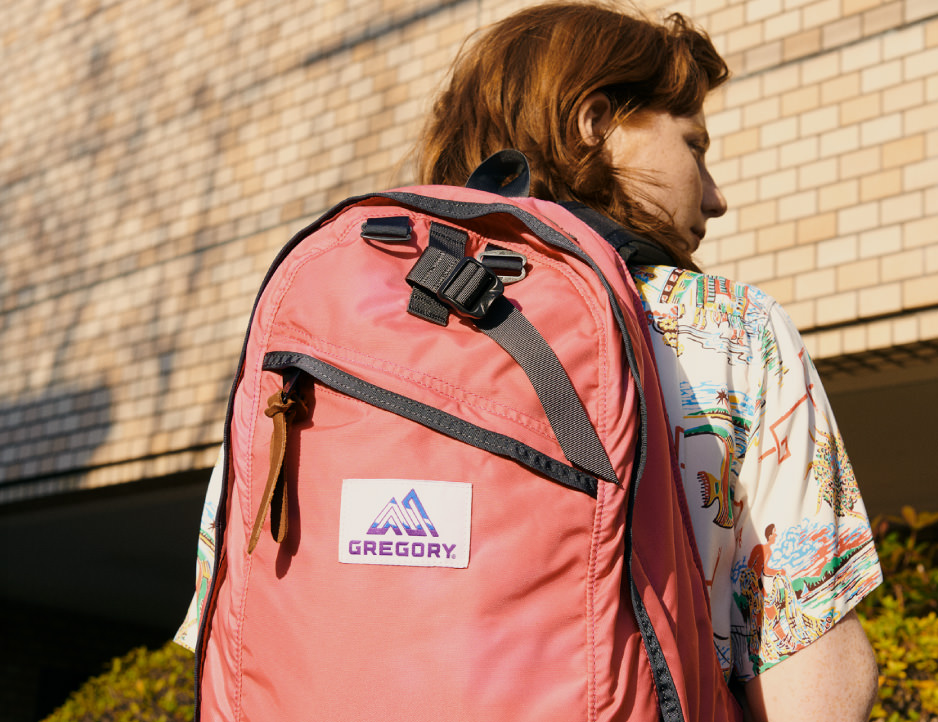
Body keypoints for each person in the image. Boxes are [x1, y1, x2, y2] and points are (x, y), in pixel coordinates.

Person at [414, 2, 882, 721]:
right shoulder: (727, 328)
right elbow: (814, 690)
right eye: (695, 145)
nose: (716, 198)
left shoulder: (356, 315)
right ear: (595, 123)